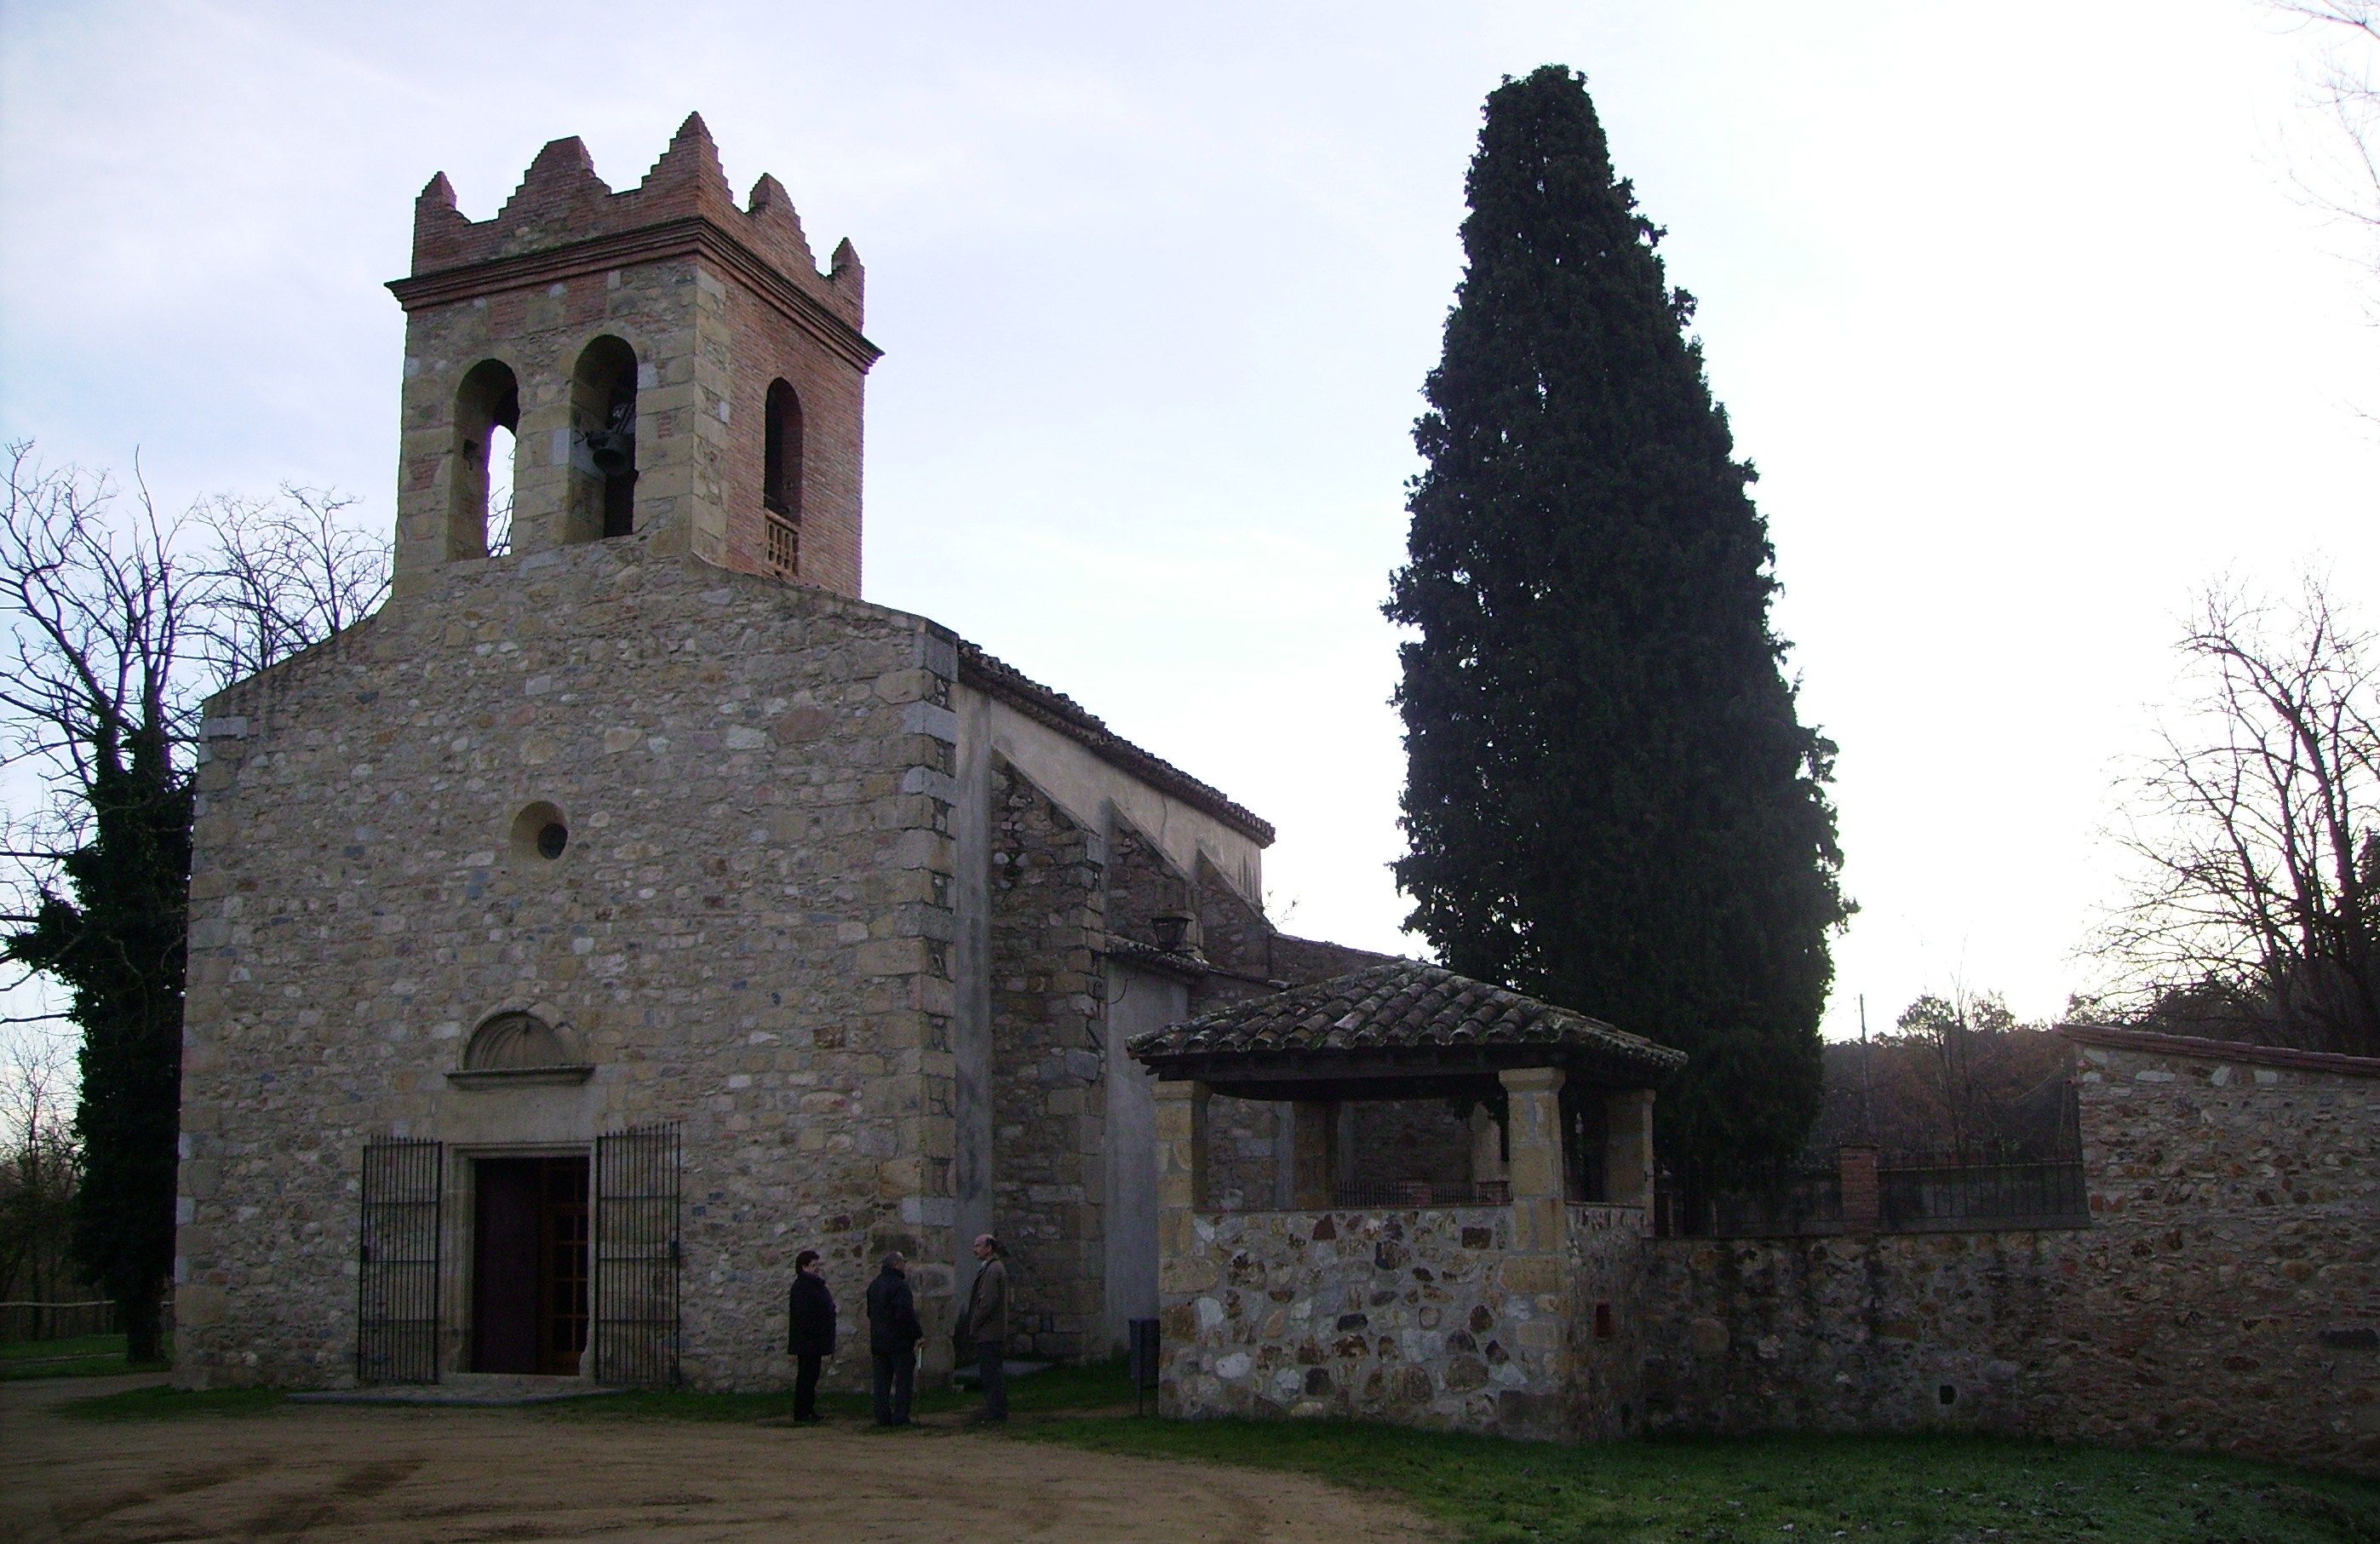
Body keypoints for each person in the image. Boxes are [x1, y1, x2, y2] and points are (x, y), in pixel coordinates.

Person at [864, 1248, 922, 1426]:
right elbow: (904, 1314)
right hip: (899, 1342)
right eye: (903, 1262)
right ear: (896, 1264)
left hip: (879, 1340)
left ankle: (882, 1417)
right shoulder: (900, 1286)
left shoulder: (874, 1285)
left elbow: (870, 1313)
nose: (905, 1266)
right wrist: (917, 1334)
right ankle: (900, 1417)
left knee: (881, 1383)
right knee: (903, 1382)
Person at [961, 1232, 1009, 1422]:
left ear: (989, 1248)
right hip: (989, 1331)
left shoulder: (993, 1270)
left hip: (989, 1331)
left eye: (978, 1246)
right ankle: (994, 1408)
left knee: (991, 1373)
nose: (975, 1250)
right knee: (990, 1372)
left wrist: (974, 1324)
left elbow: (987, 1302)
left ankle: (996, 1411)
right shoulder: (991, 1268)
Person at [784, 1248, 836, 1422]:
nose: (816, 1268)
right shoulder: (803, 1287)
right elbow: (804, 1315)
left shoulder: (812, 1285)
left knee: (811, 1376)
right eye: (813, 1265)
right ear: (804, 1267)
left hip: (813, 1340)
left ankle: (807, 1409)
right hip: (808, 1340)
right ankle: (802, 1411)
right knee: (806, 1377)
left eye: (816, 1265)